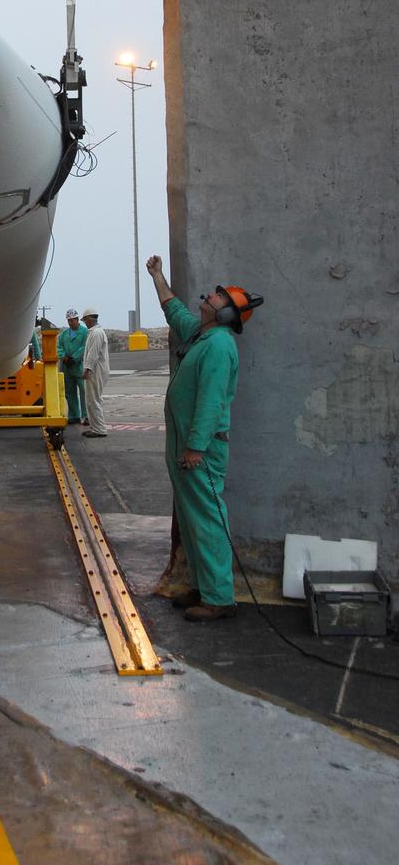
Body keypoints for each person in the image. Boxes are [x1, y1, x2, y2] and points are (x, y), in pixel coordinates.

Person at [146, 254, 263, 622]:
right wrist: (157, 276)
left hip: (200, 450)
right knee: (192, 517)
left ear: (227, 315)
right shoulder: (201, 335)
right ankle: (200, 586)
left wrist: (196, 447)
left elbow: (211, 402)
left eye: (218, 298)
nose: (210, 297)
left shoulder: (218, 346)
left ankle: (218, 598)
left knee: (208, 520)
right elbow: (173, 310)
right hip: (185, 448)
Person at [81, 307, 110, 436]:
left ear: (89, 319)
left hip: (95, 370)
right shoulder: (94, 332)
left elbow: (93, 354)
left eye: (85, 320)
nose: (85, 322)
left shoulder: (97, 333)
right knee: (90, 399)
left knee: (94, 399)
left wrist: (87, 368)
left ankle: (99, 429)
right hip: (94, 369)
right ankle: (95, 427)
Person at [57, 308, 88, 424]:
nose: (70, 322)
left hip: (78, 366)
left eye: (72, 320)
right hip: (67, 367)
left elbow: (84, 347)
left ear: (77, 319)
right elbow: (59, 347)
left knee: (83, 391)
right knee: (70, 392)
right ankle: (74, 415)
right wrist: (64, 357)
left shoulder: (84, 332)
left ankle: (86, 415)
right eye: (69, 320)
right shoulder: (64, 334)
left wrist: (74, 358)